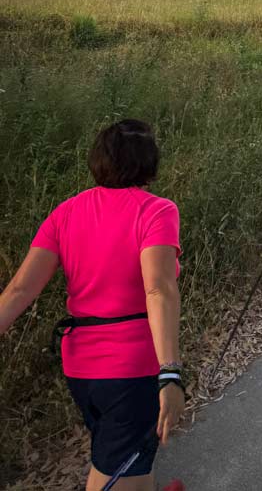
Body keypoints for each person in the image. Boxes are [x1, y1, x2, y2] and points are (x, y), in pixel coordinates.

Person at [0, 120, 185, 491]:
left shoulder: (66, 211)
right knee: (117, 469)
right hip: (131, 368)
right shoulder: (156, 211)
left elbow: (20, 289)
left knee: (123, 455)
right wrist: (170, 372)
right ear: (150, 163)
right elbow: (158, 290)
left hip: (81, 369)